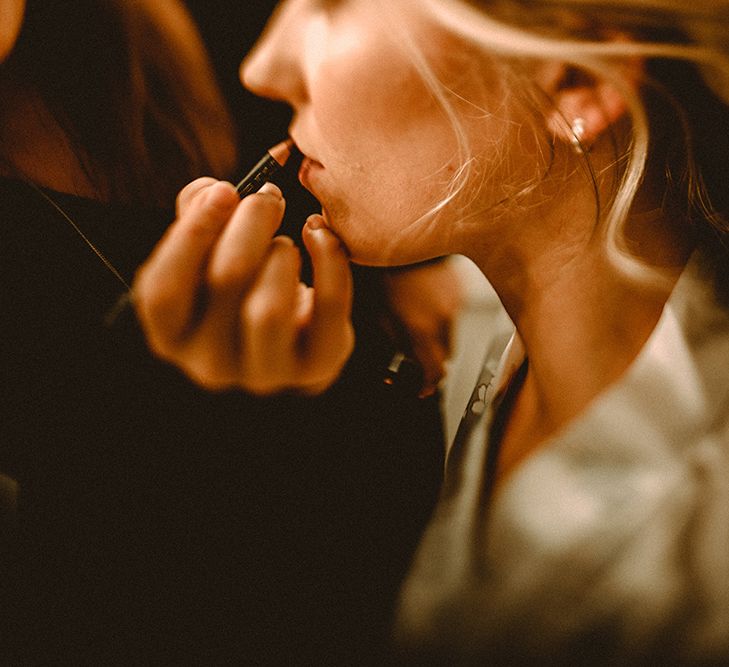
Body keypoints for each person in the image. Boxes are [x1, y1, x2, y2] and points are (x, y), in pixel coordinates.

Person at [133, 0, 729, 663]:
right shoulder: (469, 331)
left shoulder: (695, 570)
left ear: (575, 84)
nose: (260, 67)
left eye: (332, 4)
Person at [0, 0, 461, 661]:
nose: (266, 69)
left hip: (421, 522)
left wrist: (415, 255)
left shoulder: (201, 25)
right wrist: (193, 409)